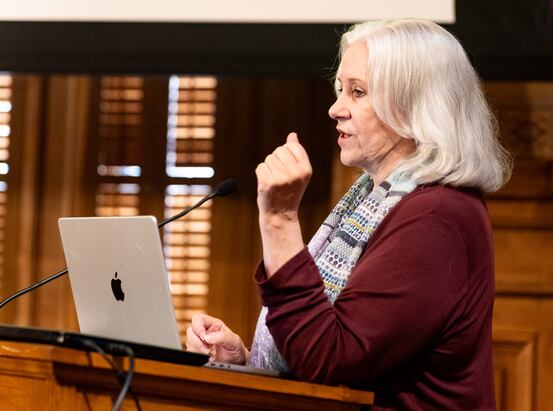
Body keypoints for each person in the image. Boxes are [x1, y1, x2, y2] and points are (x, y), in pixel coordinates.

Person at [186, 18, 511, 410]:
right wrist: (244, 363)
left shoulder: (438, 216)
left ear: (415, 108)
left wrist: (280, 220)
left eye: (358, 92)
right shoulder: (373, 200)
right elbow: (328, 353)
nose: (335, 109)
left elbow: (330, 360)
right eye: (341, 90)